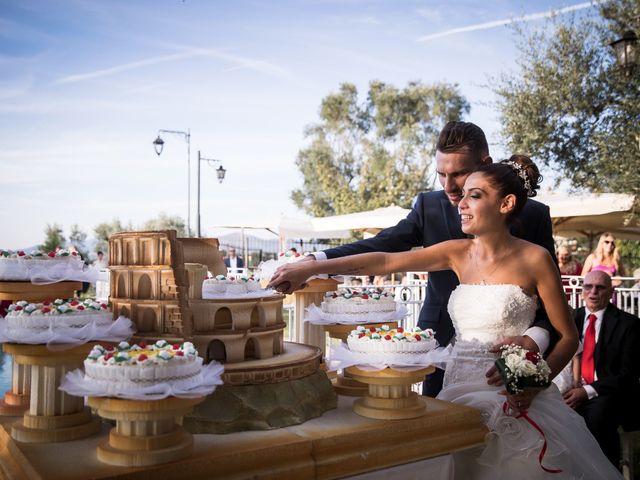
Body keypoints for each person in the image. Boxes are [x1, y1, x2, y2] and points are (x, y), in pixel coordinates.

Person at [269, 157, 620, 478]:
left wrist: (533, 382)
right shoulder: (457, 253)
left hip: (512, 399)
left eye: (474, 196)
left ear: (506, 204)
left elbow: (568, 336)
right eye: (463, 195)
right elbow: (383, 261)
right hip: (456, 390)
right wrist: (311, 267)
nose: (461, 204)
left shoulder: (536, 259)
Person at [280, 121, 557, 397]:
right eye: (441, 174)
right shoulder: (429, 206)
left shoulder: (534, 215)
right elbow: (383, 250)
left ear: (485, 163)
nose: (449, 187)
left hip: (507, 360)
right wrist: (316, 261)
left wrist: (533, 341)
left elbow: (552, 311)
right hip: (435, 345)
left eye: (459, 174)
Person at [563, 270, 640, 467]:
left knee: (597, 417)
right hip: (569, 389)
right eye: (588, 287)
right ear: (582, 292)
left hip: (607, 392)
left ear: (611, 292)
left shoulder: (628, 324)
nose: (593, 292)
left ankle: (604, 471)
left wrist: (586, 391)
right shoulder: (570, 319)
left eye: (600, 287)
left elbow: (628, 375)